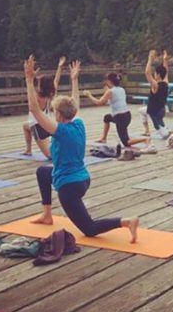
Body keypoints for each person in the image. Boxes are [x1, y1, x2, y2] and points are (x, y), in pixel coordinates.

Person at [24, 55, 139, 242]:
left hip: (69, 187)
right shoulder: (78, 124)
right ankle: (47, 214)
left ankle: (126, 222)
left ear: (59, 115)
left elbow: (34, 110)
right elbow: (74, 103)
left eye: (54, 112)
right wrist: (74, 79)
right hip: (83, 179)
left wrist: (29, 80)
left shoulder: (60, 131)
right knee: (42, 173)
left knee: (89, 229)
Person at [84, 72, 149, 152]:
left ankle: (144, 139)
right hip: (127, 115)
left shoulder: (110, 92)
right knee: (107, 118)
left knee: (126, 143)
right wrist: (107, 92)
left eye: (106, 80)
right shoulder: (121, 89)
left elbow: (99, 102)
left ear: (109, 81)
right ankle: (103, 138)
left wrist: (89, 95)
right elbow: (113, 101)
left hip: (120, 118)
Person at [22, 57, 65, 158]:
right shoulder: (49, 94)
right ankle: (28, 150)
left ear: (42, 86)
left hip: (37, 127)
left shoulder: (38, 97)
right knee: (25, 126)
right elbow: (56, 80)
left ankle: (31, 150)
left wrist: (29, 79)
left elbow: (31, 106)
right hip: (47, 124)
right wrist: (59, 66)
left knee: (50, 156)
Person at [140, 50, 169, 137]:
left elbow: (147, 73)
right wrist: (165, 60)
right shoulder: (166, 82)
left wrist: (150, 59)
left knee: (164, 134)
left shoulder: (155, 85)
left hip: (154, 112)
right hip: (161, 110)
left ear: (158, 75)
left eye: (155, 73)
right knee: (141, 111)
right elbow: (166, 71)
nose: (154, 74)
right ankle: (147, 131)